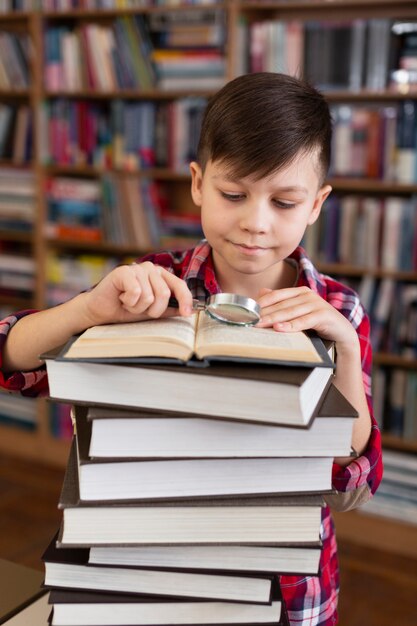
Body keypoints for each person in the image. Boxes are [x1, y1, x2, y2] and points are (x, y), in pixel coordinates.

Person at [0, 73, 382, 625]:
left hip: (280, 580)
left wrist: (344, 349)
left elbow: (353, 479)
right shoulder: (151, 282)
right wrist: (86, 311)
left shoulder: (338, 310)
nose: (255, 223)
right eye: (233, 195)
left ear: (317, 204)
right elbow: (14, 363)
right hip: (141, 565)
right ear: (198, 184)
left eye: (284, 201)